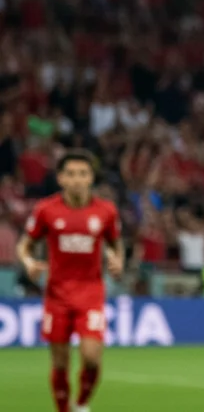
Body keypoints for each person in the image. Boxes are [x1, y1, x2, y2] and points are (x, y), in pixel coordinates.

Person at [16, 149, 123, 412]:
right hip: (57, 295)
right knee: (60, 362)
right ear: (61, 178)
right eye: (71, 174)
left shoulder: (106, 211)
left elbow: (115, 243)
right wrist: (29, 263)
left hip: (91, 293)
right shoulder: (46, 210)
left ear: (91, 178)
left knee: (91, 357)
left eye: (83, 174)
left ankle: (82, 403)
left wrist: (117, 259)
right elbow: (25, 245)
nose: (77, 180)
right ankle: (63, 409)